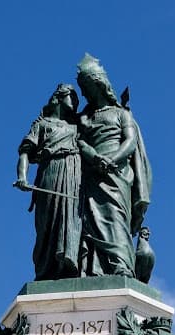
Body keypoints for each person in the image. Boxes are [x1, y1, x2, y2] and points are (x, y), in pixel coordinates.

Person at [75, 54, 150, 277]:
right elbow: (77, 141)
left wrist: (112, 160)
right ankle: (92, 269)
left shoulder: (121, 114)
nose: (84, 94)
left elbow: (130, 141)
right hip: (90, 173)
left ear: (98, 85)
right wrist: (93, 157)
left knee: (115, 217)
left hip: (117, 173)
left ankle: (121, 265)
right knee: (89, 220)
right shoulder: (83, 118)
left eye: (86, 88)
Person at [15, 83, 82, 281]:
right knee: (49, 221)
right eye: (72, 96)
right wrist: (22, 177)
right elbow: (25, 152)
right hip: (50, 171)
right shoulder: (42, 124)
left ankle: (69, 262)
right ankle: (47, 267)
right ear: (59, 98)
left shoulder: (77, 126)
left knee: (71, 217)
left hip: (74, 173)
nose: (75, 101)